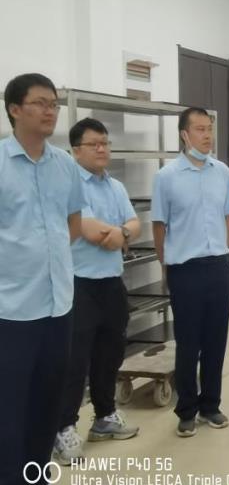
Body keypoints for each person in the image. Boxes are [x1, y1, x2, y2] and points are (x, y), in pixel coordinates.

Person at [0, 73, 83, 485]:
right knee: (8, 411)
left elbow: (73, 224)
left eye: (54, 103)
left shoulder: (65, 165)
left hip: (58, 306)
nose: (50, 111)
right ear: (15, 109)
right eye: (40, 103)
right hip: (11, 310)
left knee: (46, 406)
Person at [54, 118, 141, 466]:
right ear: (76, 151)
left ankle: (104, 416)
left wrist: (122, 233)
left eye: (105, 143)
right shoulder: (70, 184)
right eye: (94, 144)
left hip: (112, 282)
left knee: (110, 353)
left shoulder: (115, 186)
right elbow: (89, 231)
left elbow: (134, 224)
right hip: (79, 283)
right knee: (75, 360)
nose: (102, 149)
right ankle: (63, 427)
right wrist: (121, 233)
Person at [151, 107, 229, 437]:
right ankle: (186, 409)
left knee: (216, 340)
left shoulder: (222, 172)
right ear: (184, 134)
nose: (207, 135)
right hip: (184, 269)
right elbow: (159, 225)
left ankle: (211, 405)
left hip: (218, 266)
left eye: (209, 128)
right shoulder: (167, 176)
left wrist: (226, 252)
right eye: (200, 129)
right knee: (188, 343)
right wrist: (166, 263)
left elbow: (228, 216)